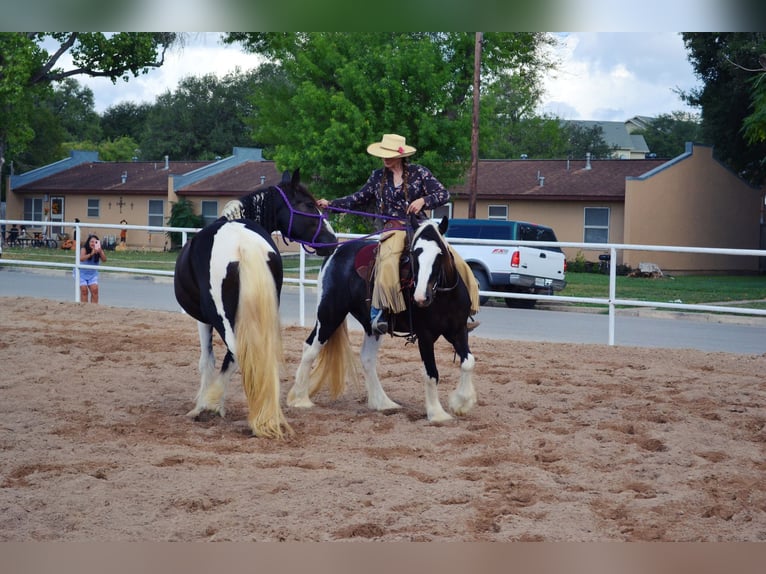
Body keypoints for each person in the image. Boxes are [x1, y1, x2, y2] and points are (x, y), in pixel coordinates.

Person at [316, 133, 479, 335]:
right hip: (393, 228)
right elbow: (356, 198)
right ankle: (380, 312)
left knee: (454, 260)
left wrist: (423, 201)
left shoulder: (420, 173)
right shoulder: (377, 177)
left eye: (390, 153)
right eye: (384, 153)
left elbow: (443, 194)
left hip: (421, 226)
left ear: (401, 155)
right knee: (388, 262)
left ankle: (464, 312)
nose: (386, 157)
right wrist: (331, 204)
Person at [77, 234, 107, 303]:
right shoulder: (84, 249)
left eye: (95, 242)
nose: (93, 244)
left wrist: (101, 252)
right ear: (88, 242)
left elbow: (104, 260)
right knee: (84, 290)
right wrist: (91, 254)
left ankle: (94, 308)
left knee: (95, 290)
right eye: (91, 242)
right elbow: (81, 259)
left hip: (92, 274)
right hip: (82, 274)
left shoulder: (99, 250)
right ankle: (84, 307)